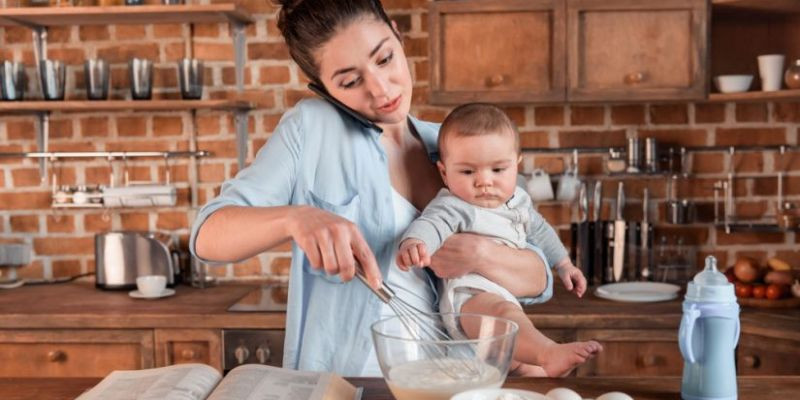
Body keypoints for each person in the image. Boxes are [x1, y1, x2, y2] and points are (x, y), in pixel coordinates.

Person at [190, 0, 555, 377]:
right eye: (350, 81)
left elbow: (539, 277)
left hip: (458, 381)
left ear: (397, 35)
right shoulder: (310, 129)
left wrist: (479, 253)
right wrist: (295, 219)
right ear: (324, 88)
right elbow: (207, 234)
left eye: (385, 59)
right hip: (351, 384)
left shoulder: (449, 146)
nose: (381, 90)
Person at [397, 103, 602, 377]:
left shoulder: (519, 202)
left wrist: (564, 265)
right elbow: (431, 225)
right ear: (444, 173)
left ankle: (543, 369)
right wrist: (414, 243)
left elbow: (541, 231)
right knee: (503, 314)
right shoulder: (454, 204)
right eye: (468, 172)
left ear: (516, 165)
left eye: (497, 170)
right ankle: (548, 352)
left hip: (504, 295)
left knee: (525, 366)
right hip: (470, 295)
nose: (484, 182)